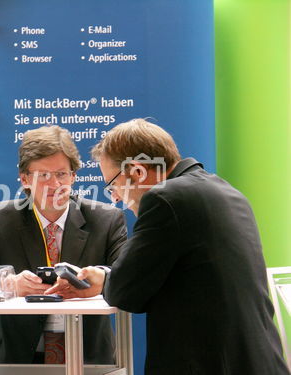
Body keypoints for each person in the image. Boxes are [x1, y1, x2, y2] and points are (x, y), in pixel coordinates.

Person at [49, 118, 290, 374]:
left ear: (137, 171)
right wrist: (107, 276)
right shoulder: (227, 192)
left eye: (113, 185)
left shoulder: (165, 199)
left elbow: (125, 292)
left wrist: (107, 279)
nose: (116, 197)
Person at [0, 125, 127, 364]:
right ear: (25, 179)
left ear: (73, 176)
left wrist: (99, 277)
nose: (53, 184)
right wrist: (8, 285)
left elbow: (128, 277)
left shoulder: (106, 219)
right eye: (43, 176)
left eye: (61, 174)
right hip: (14, 357)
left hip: (87, 356)